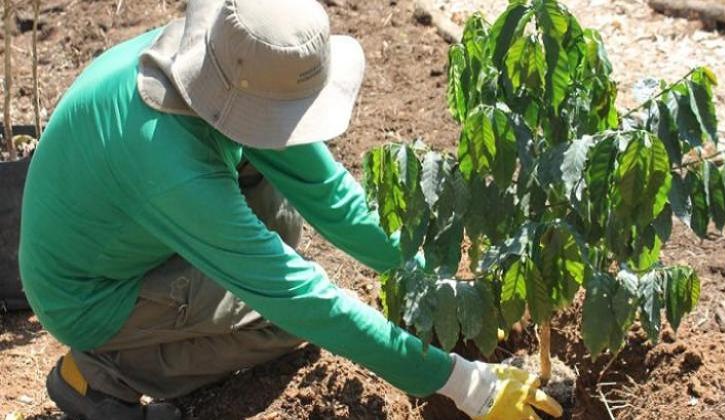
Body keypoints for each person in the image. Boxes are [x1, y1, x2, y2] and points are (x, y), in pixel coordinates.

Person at [19, 0, 563, 419]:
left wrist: (433, 289)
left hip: (130, 235)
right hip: (92, 296)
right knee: (285, 326)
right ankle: (99, 371)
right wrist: (467, 385)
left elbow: (334, 199)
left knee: (273, 194)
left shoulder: (222, 63)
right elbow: (303, 300)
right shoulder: (168, 161)